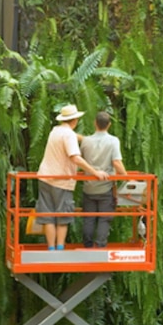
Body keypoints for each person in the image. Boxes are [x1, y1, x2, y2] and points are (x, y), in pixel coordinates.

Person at [36, 104, 108, 251]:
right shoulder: (68, 135)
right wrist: (95, 172)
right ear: (75, 120)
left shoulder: (56, 130)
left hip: (45, 177)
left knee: (48, 215)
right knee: (63, 216)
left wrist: (89, 140)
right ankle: (60, 248)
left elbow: (76, 137)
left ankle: (51, 249)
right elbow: (75, 157)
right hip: (61, 181)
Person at [80, 111, 128, 248]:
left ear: (95, 123)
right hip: (106, 187)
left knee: (88, 218)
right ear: (109, 125)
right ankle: (100, 245)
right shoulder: (113, 141)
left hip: (88, 187)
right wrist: (127, 177)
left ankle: (87, 245)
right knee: (104, 218)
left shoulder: (85, 141)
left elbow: (80, 161)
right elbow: (117, 163)